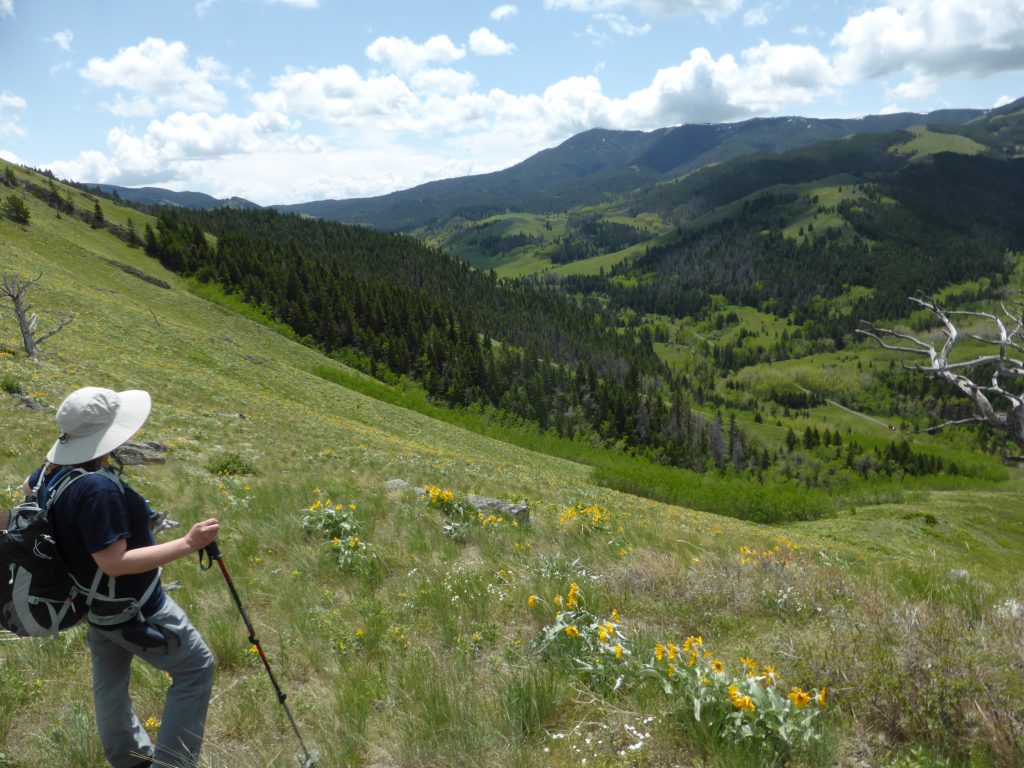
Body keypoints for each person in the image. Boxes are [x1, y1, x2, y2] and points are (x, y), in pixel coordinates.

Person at [24, 387, 220, 768]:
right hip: (136, 608)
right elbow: (114, 562)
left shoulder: (49, 474)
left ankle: (128, 758)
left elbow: (28, 495)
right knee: (196, 668)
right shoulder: (96, 489)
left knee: (110, 682)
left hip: (92, 605)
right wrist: (188, 543)